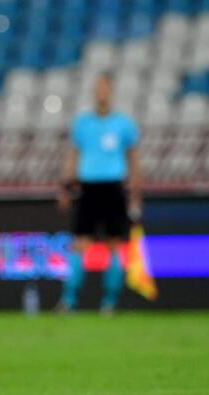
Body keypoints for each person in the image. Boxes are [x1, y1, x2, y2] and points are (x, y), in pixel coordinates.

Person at [56, 73, 142, 314]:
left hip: (113, 187)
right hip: (88, 187)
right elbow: (73, 156)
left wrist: (136, 191)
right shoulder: (83, 123)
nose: (101, 92)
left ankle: (110, 302)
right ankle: (69, 300)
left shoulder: (124, 124)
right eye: (98, 88)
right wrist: (65, 186)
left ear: (111, 91)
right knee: (80, 243)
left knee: (114, 244)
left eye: (105, 87)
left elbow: (133, 160)